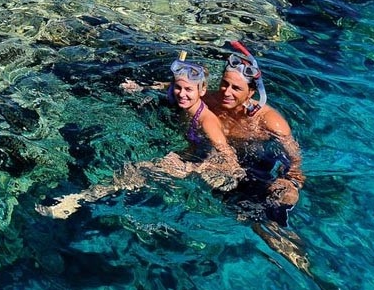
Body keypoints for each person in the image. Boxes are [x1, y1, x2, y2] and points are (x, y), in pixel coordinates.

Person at [37, 52, 243, 219]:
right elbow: (166, 87)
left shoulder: (207, 122)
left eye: (188, 89)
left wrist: (192, 168)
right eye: (178, 88)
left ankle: (77, 201)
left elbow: (231, 162)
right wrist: (141, 88)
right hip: (188, 151)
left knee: (135, 170)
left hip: (201, 162)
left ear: (203, 90)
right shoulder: (180, 98)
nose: (182, 94)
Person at [212, 41, 304, 226]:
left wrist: (291, 184)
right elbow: (183, 91)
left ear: (251, 92)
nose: (226, 92)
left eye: (236, 88)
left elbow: (295, 162)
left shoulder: (271, 121)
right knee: (239, 211)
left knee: (263, 218)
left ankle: (288, 246)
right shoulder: (213, 100)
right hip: (227, 163)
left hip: (260, 165)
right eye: (224, 84)